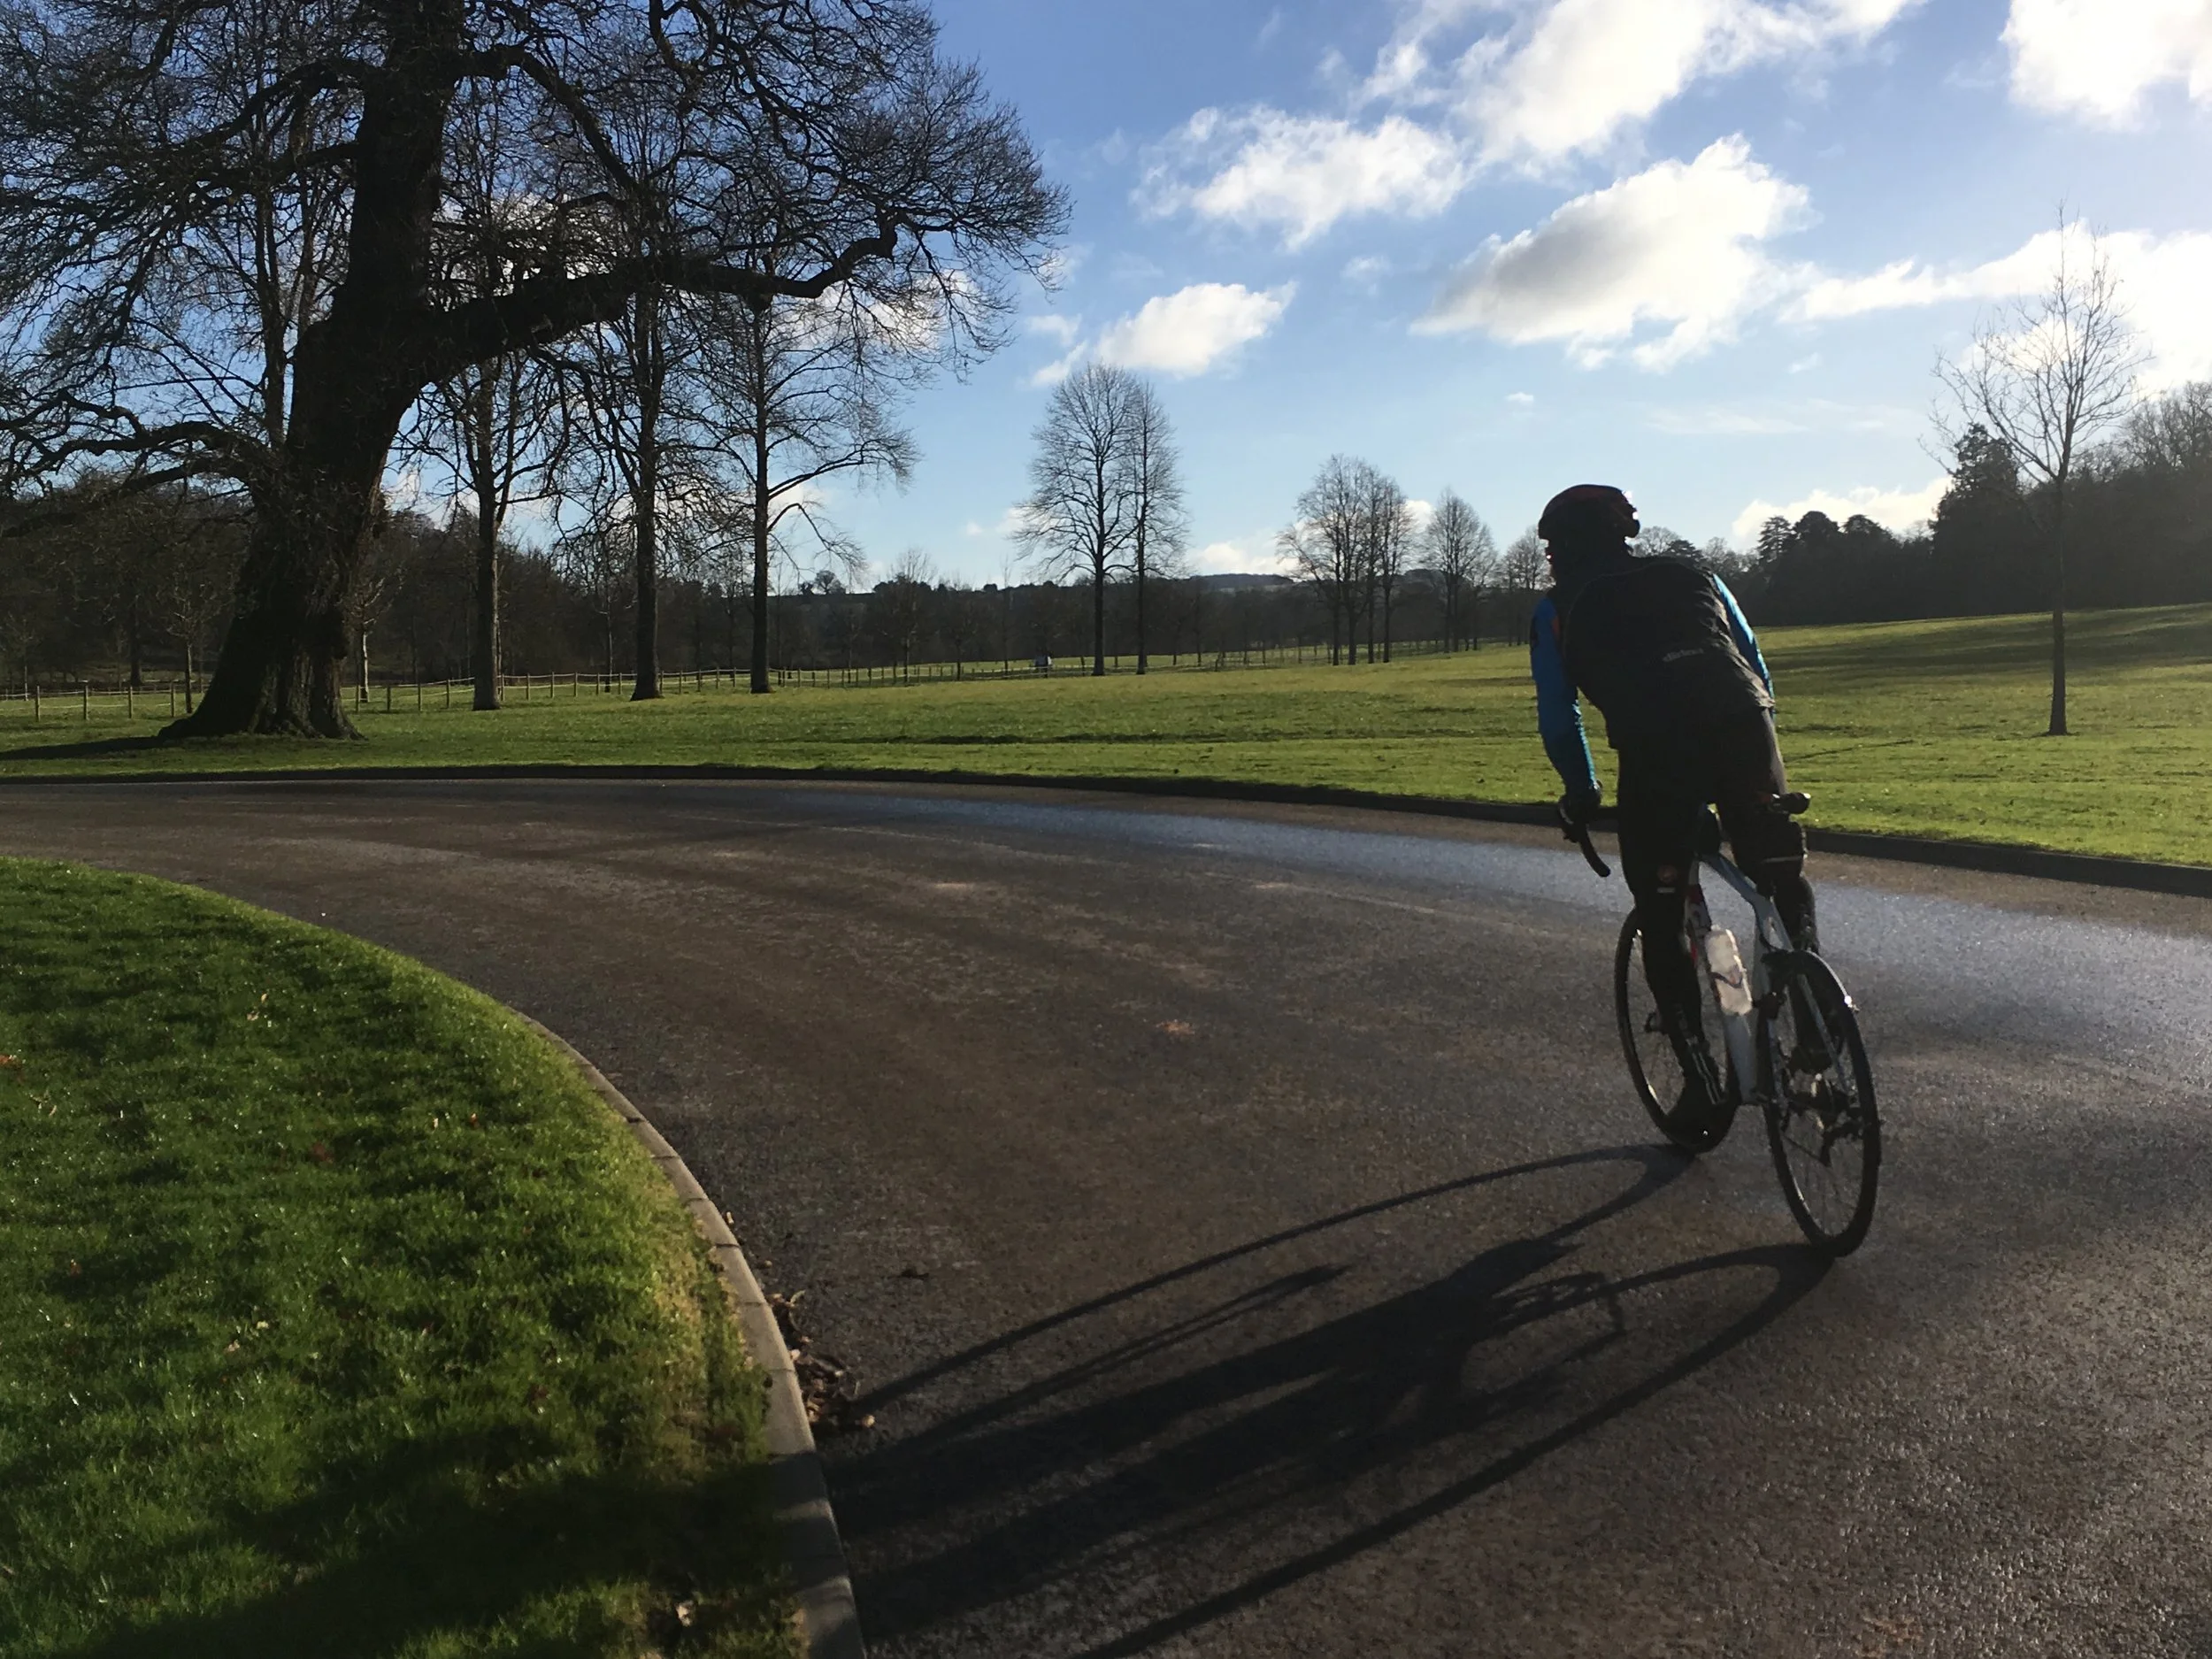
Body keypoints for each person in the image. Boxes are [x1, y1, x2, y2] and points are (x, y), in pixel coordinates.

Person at [1527, 483, 1818, 1129]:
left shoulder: (1557, 610)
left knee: (1660, 914)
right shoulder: (1696, 574)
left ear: (1563, 548)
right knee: (1777, 867)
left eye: (1549, 546)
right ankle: (1814, 1013)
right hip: (1744, 725)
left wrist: (1582, 792)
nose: (1547, 559)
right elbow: (1755, 666)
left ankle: (1701, 1083)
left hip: (1659, 752)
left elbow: (1558, 717)